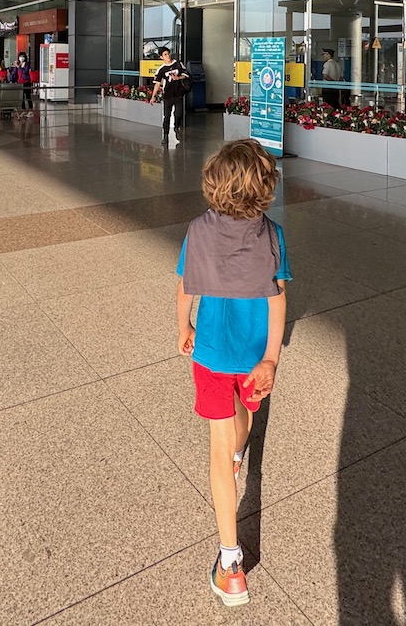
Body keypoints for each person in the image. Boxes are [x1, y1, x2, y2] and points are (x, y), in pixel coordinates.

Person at [175, 139, 290, 608]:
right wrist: (271, 359)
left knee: (217, 450)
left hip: (212, 353)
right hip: (251, 354)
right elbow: (277, 297)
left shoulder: (197, 230)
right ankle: (242, 448)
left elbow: (186, 285)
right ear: (265, 189)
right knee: (246, 411)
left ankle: (230, 565)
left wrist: (182, 325)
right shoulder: (272, 235)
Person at [150, 48, 188, 144]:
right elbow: (157, 83)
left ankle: (176, 127)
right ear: (161, 57)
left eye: (168, 54)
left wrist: (178, 77)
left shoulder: (178, 64)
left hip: (179, 93)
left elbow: (185, 74)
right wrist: (153, 96)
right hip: (168, 95)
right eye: (165, 54)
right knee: (167, 116)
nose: (168, 56)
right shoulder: (161, 70)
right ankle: (165, 135)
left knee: (178, 113)